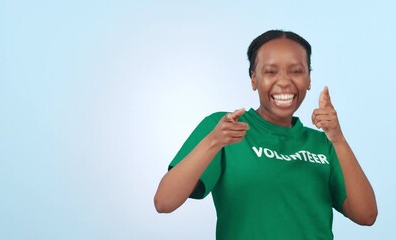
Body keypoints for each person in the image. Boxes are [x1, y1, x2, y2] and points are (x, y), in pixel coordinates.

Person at [154, 30, 377, 239]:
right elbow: (164, 202)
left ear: (309, 79)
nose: (284, 82)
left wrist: (338, 139)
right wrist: (213, 141)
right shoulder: (225, 128)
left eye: (296, 71)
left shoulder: (324, 143)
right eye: (270, 71)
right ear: (254, 79)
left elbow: (366, 216)